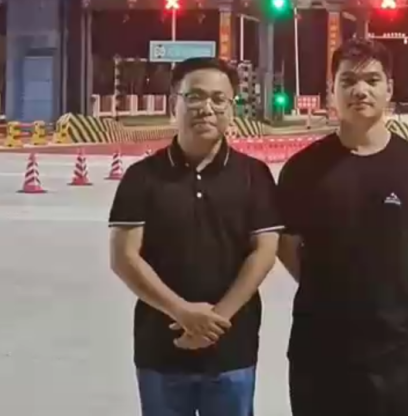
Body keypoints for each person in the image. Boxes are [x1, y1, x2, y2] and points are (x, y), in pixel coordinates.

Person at [276, 38, 408, 416]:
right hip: (318, 341)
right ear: (332, 91)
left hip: (392, 344)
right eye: (348, 81)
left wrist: (387, 284)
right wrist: (330, 286)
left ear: (389, 88)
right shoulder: (302, 169)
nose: (360, 91)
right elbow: (287, 245)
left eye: (372, 80)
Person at [108, 57, 282, 416]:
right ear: (175, 102)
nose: (207, 108)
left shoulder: (254, 175)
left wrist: (215, 321)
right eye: (195, 96)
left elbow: (264, 252)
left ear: (231, 108)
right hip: (161, 349)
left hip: (232, 351)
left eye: (219, 99)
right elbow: (124, 257)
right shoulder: (142, 177)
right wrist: (182, 312)